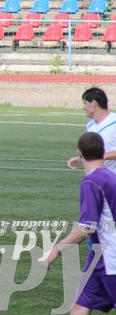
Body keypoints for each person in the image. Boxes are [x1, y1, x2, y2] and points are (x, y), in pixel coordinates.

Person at [46, 132, 116, 314]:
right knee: (80, 305)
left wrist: (54, 252)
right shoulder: (110, 177)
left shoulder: (92, 182)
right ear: (103, 151)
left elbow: (85, 229)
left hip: (111, 259)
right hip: (99, 258)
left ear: (79, 152)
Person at [68, 88, 116, 173]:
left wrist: (100, 156)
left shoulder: (114, 122)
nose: (83, 107)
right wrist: (81, 158)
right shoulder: (90, 125)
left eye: (85, 103)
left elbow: (100, 155)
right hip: (97, 178)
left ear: (94, 103)